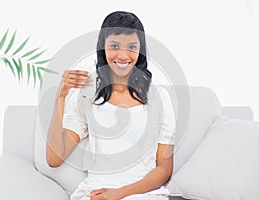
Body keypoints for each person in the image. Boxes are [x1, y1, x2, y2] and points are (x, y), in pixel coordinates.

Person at [46, 11, 176, 200]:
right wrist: (61, 95)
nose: (123, 55)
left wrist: (119, 194)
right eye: (114, 46)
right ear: (103, 47)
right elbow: (54, 159)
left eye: (132, 47)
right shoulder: (86, 95)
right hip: (95, 192)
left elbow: (164, 169)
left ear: (141, 50)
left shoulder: (159, 98)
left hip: (142, 194)